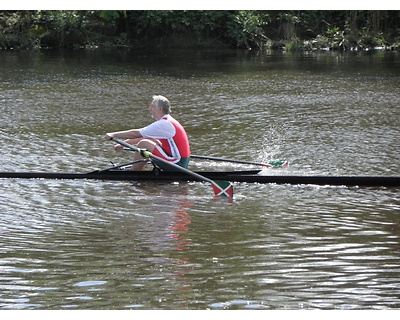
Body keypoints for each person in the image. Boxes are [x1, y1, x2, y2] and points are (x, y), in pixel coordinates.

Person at [104, 95, 190, 171]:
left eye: (152, 106)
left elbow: (136, 133)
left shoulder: (164, 123)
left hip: (177, 164)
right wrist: (123, 144)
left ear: (160, 109)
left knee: (144, 144)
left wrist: (113, 135)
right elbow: (143, 136)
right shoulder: (167, 122)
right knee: (150, 141)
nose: (150, 109)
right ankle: (135, 170)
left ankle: (133, 173)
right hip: (178, 162)